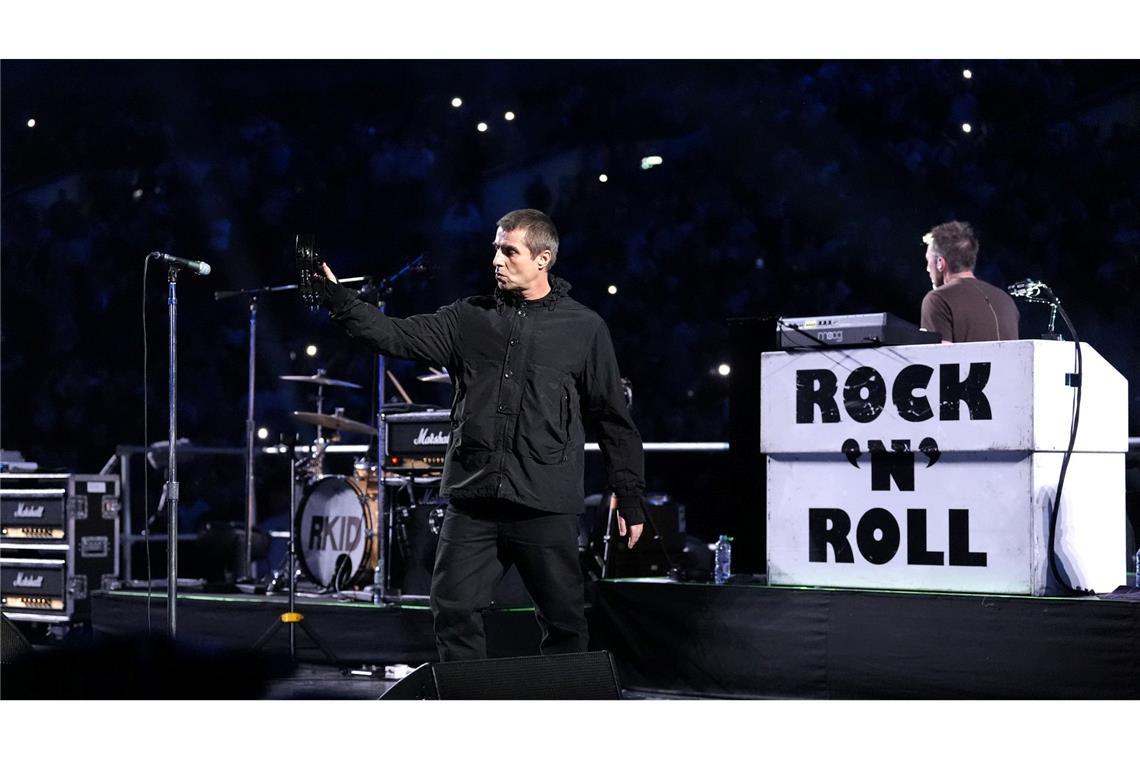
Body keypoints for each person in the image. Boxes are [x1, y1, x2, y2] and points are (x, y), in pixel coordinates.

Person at [315, 209, 645, 660]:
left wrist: (628, 494)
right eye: (496, 248)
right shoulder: (468, 318)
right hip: (474, 500)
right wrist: (339, 300)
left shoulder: (584, 328)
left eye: (509, 251)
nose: (497, 259)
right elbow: (395, 335)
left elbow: (613, 418)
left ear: (543, 259)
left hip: (544, 502)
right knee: (453, 610)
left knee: (565, 623)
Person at [920, 221, 1019, 342]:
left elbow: (937, 358)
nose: (927, 268)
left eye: (928, 260)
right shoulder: (1006, 300)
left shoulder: (937, 300)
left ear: (940, 263)